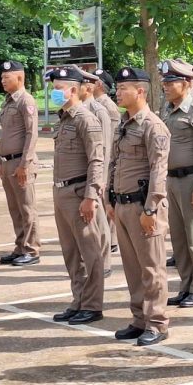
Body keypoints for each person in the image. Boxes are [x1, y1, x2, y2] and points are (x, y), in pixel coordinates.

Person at [108, 67, 171, 346]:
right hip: (122, 203)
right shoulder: (124, 123)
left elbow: (159, 169)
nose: (118, 93)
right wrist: (109, 197)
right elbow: (115, 162)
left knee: (151, 267)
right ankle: (139, 319)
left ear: (141, 91)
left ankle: (156, 322)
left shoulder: (153, 126)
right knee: (132, 268)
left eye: (124, 88)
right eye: (118, 88)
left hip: (143, 206)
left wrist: (151, 209)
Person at [48, 66, 107, 325]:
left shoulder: (85, 119)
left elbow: (97, 160)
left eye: (58, 89)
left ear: (73, 90)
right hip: (61, 191)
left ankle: (92, 305)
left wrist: (91, 196)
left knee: (89, 251)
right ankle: (79, 300)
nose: (54, 93)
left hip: (79, 192)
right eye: (53, 89)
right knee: (71, 252)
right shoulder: (64, 119)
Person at [159, 59, 193, 308]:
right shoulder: (167, 109)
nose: (166, 86)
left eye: (171, 82)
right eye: (165, 82)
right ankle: (186, 285)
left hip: (190, 180)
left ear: (186, 83)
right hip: (171, 180)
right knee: (179, 239)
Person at [0, 60, 41, 267]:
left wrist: (25, 164)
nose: (3, 81)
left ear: (20, 77)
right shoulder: (8, 102)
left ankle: (31, 249)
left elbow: (32, 134)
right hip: (8, 162)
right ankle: (20, 246)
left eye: (7, 77)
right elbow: (6, 134)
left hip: (21, 162)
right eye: (2, 77)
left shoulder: (26, 100)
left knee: (27, 208)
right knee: (15, 209)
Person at [77, 66, 115, 274]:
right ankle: (90, 260)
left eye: (80, 84)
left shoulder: (99, 111)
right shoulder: (75, 109)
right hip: (81, 173)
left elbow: (105, 148)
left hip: (96, 174)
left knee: (100, 219)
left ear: (89, 87)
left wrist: (101, 179)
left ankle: (104, 262)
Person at [93, 68, 120, 254]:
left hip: (108, 160)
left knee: (106, 201)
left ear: (99, 85)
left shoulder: (108, 107)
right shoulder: (97, 105)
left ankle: (111, 240)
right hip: (103, 160)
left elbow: (111, 139)